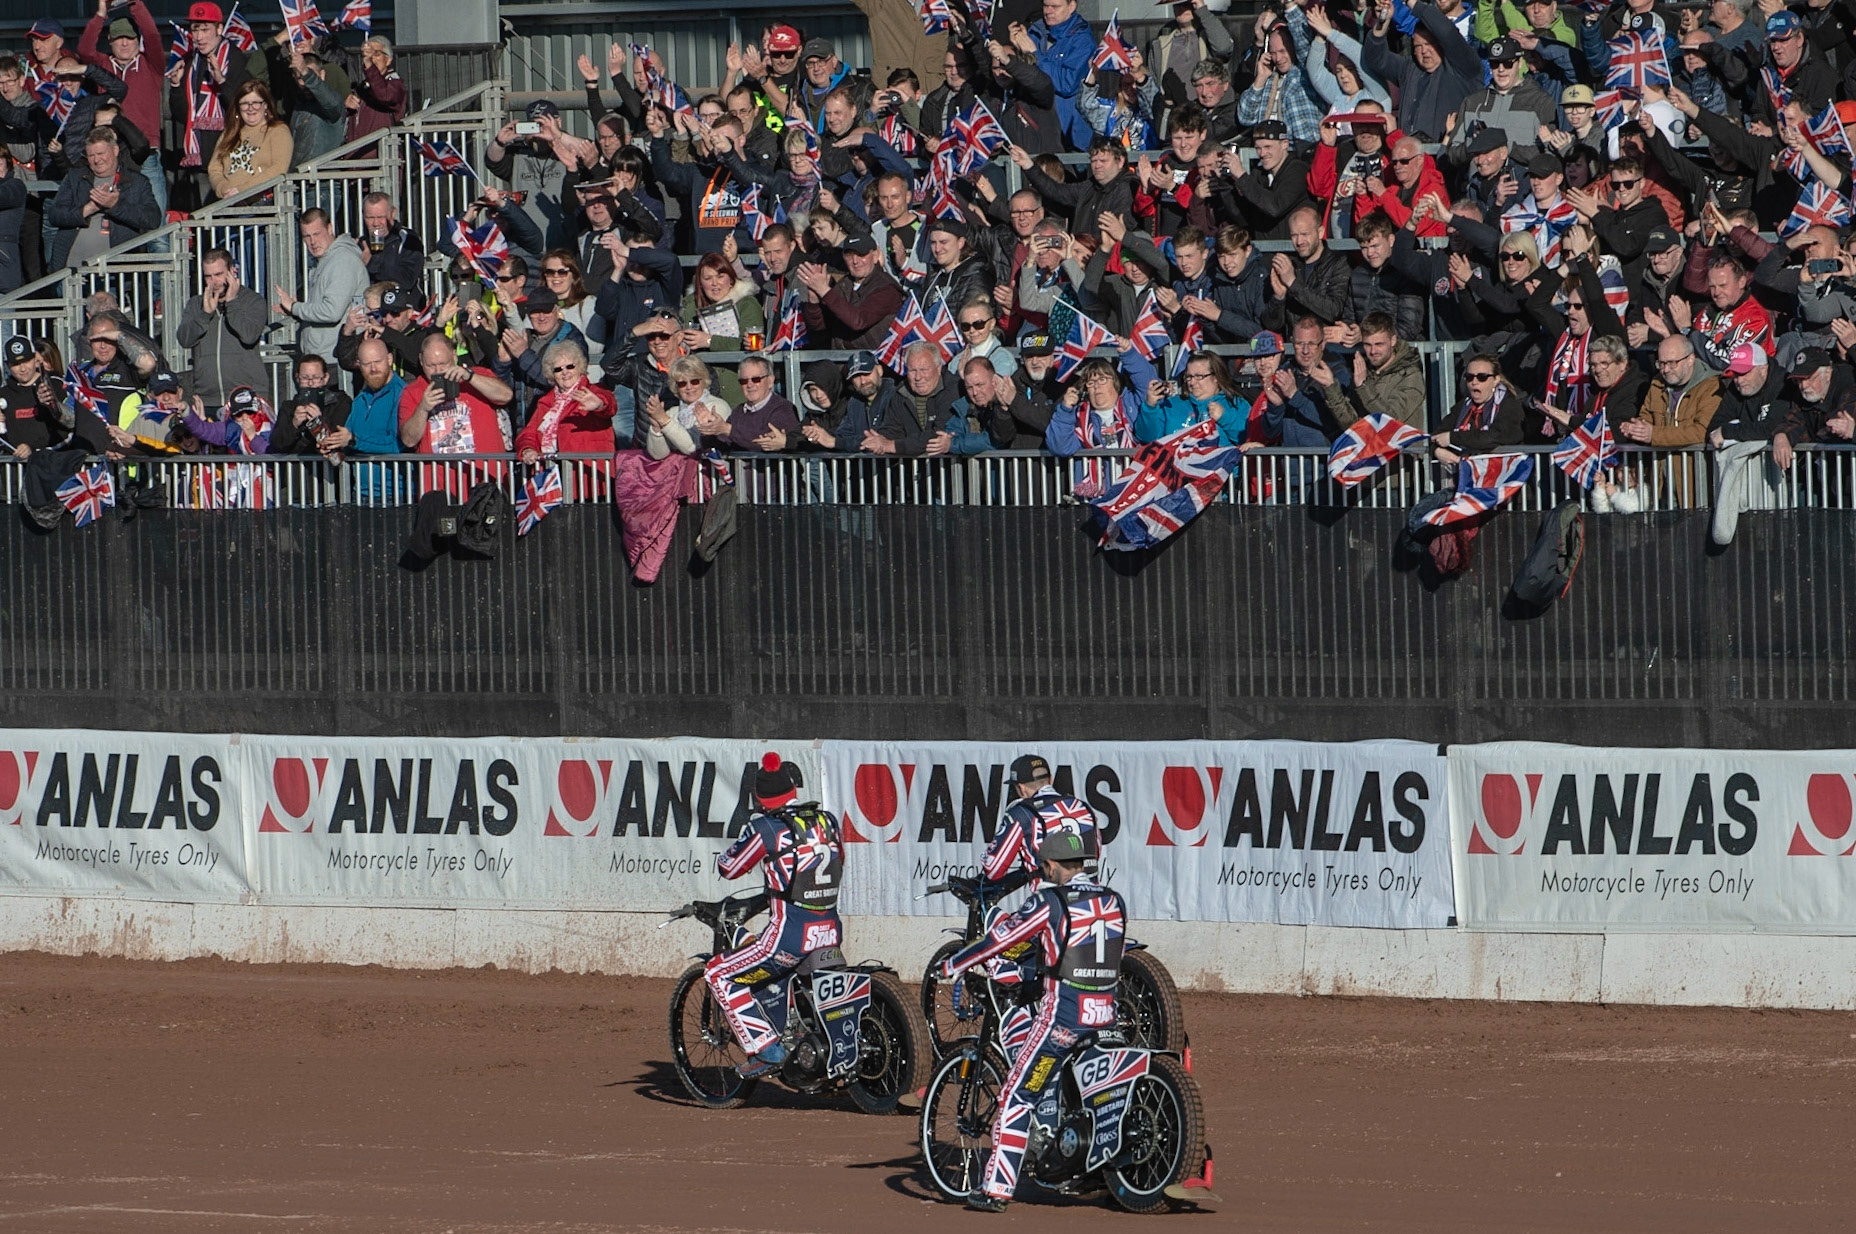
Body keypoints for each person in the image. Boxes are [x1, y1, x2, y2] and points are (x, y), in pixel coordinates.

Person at [940, 828, 1125, 1212]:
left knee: (1017, 1095)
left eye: (1044, 866)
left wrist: (955, 962)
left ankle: (996, 1189)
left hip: (1062, 1023)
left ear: (1052, 865)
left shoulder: (1050, 901)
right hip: (1106, 1017)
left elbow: (1001, 940)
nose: (1042, 871)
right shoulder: (1114, 900)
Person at [704, 753, 845, 1080]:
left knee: (718, 974)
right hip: (830, 931)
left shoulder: (766, 827)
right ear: (792, 789)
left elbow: (730, 868)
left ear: (760, 798)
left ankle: (767, 1050)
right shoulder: (826, 821)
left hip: (789, 938)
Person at [45, 126, 160, 267]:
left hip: (116, 271)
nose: (96, 160)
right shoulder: (75, 177)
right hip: (72, 269)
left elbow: (153, 219)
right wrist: (88, 209)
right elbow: (55, 215)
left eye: (100, 153)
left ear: (115, 150)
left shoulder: (136, 181)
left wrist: (115, 206)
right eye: (91, 155)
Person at [983, 753, 1101, 881]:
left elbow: (993, 869)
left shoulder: (1021, 813)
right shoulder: (1084, 807)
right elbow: (1096, 853)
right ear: (1051, 779)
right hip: (1092, 890)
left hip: (1050, 892)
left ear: (1021, 788)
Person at [177, 247, 268, 409]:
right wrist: (204, 315)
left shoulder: (252, 301)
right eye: (208, 276)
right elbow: (184, 339)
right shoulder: (196, 304)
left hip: (246, 396)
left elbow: (249, 335)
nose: (214, 282)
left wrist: (232, 303)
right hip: (207, 399)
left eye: (218, 274)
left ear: (233, 271)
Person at [276, 208, 370, 364]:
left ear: (330, 228)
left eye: (317, 234)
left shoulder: (342, 261)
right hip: (324, 356)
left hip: (335, 359)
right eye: (307, 236)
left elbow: (331, 312)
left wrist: (295, 307)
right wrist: (295, 312)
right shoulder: (328, 260)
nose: (313, 242)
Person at [516, 340, 617, 461]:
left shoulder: (594, 391)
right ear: (552, 374)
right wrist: (527, 449)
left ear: (580, 367)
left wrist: (600, 405)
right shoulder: (546, 402)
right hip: (552, 469)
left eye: (570, 366)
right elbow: (529, 433)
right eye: (558, 369)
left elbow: (610, 406)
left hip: (587, 468)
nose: (565, 372)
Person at [1138, 352, 1251, 445]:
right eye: (1189, 376)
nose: (1192, 382)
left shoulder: (1237, 404)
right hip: (1178, 465)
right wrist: (1150, 407)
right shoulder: (1172, 405)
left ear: (1216, 376)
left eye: (1199, 376)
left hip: (1221, 465)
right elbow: (1147, 438)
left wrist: (1224, 418)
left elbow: (1248, 438)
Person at [207, 79, 292, 201]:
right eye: (245, 103)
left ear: (265, 105)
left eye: (256, 103)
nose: (250, 108)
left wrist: (242, 191)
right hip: (228, 202)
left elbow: (279, 169)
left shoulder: (278, 131)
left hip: (263, 202)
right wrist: (223, 188)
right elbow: (214, 167)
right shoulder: (229, 133)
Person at [361, 192, 425, 292]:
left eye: (381, 217)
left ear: (393, 213)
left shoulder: (408, 239)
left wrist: (371, 263)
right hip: (369, 300)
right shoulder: (361, 243)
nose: (376, 223)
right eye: (370, 218)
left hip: (402, 300)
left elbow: (407, 280)